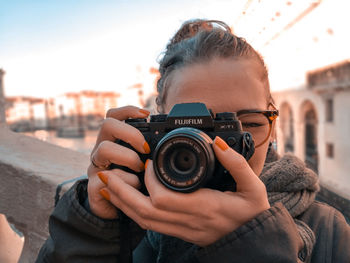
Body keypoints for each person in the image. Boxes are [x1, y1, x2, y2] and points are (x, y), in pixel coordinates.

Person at [36, 19, 350, 263]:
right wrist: (92, 229)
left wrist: (255, 244)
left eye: (249, 125)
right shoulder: (128, 215)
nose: (218, 150)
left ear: (274, 127)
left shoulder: (329, 231)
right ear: (154, 129)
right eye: (191, 130)